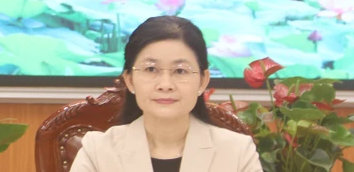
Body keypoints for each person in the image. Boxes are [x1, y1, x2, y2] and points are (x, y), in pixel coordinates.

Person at [70, 16, 261, 172]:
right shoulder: (98, 151)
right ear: (129, 80)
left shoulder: (237, 151)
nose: (165, 85)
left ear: (203, 81)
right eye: (151, 69)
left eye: (180, 71)